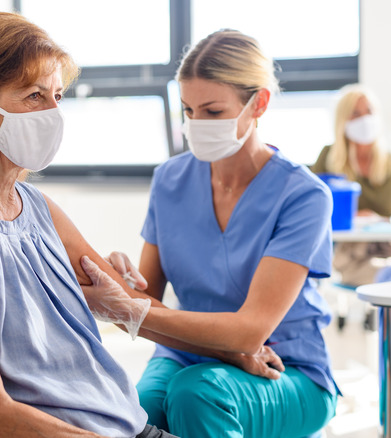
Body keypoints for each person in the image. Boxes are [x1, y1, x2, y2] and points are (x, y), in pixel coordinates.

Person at [0, 12, 213, 437]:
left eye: (58, 96)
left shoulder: (38, 208)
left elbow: (127, 305)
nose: (54, 112)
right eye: (34, 96)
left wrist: (237, 352)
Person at [85, 29, 339, 437]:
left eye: (213, 111)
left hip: (285, 367)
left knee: (197, 395)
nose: (197, 124)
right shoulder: (170, 180)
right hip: (185, 354)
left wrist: (128, 306)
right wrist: (120, 283)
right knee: (137, 413)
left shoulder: (304, 196)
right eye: (188, 110)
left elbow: (249, 332)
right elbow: (142, 304)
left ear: (259, 103)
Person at [310, 84, 391, 287]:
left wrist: (381, 221)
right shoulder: (328, 159)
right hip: (348, 253)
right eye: (355, 113)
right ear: (343, 120)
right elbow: (314, 209)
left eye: (369, 112)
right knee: (390, 280)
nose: (364, 119)